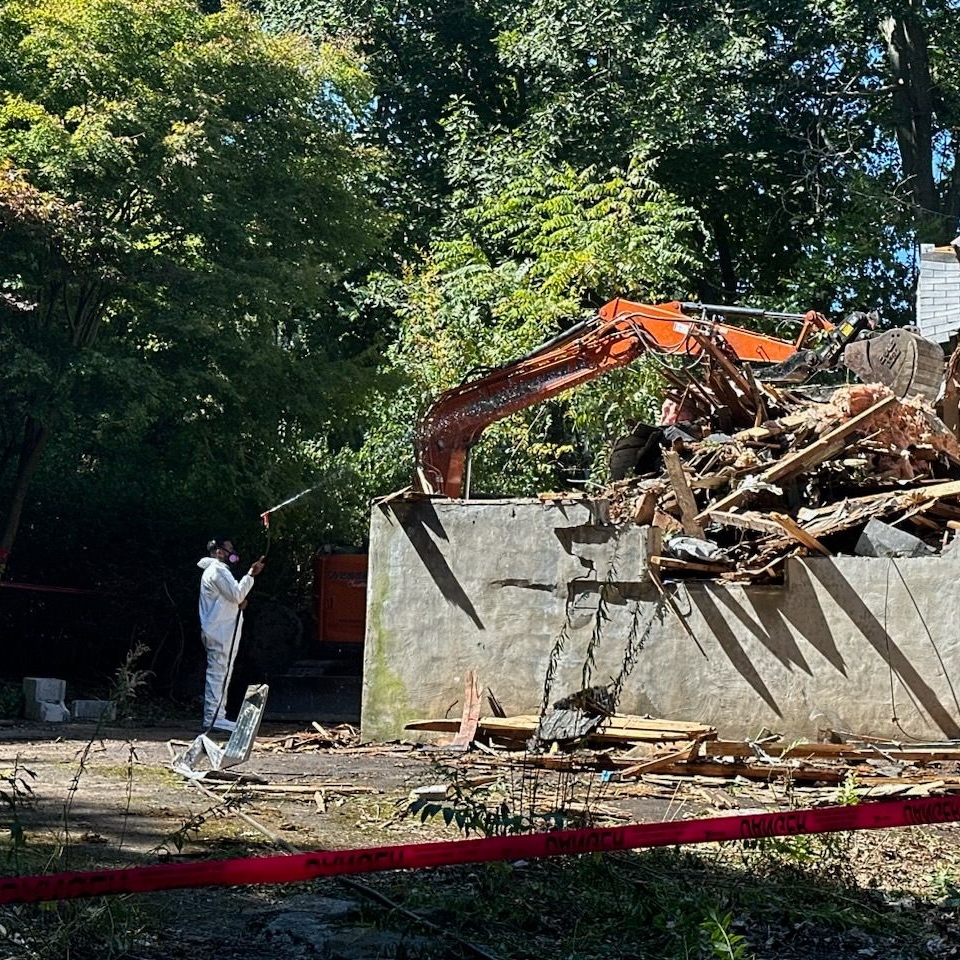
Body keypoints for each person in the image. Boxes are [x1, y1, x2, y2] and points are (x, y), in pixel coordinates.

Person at [197, 538, 265, 733]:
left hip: (221, 629)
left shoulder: (216, 571)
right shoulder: (217, 570)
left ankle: (217, 716)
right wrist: (251, 575)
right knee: (219, 673)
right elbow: (236, 594)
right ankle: (213, 718)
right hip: (220, 631)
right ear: (218, 552)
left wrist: (239, 603)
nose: (231, 552)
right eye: (227, 549)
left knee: (222, 673)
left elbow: (232, 599)